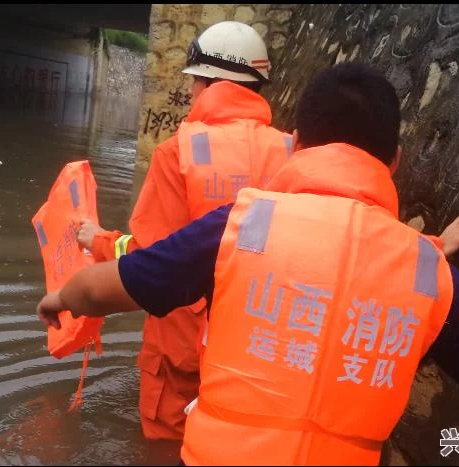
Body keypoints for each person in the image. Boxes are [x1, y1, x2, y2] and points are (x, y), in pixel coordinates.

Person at [39, 63, 459, 465]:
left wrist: (60, 298)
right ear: (397, 158)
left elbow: (109, 287)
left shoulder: (241, 223)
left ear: (297, 142)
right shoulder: (429, 273)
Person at [77, 21, 296, 442]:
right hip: (260, 343)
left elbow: (150, 254)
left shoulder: (179, 151)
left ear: (203, 83)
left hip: (182, 341)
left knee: (170, 442)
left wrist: (98, 240)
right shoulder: (293, 152)